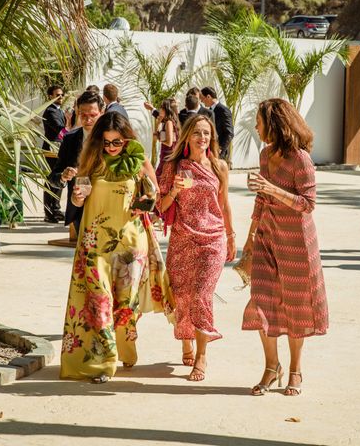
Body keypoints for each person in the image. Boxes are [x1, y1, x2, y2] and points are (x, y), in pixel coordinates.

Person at [60, 112, 173, 383]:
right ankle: (104, 362)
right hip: (94, 242)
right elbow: (78, 203)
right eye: (106, 142)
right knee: (100, 301)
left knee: (124, 305)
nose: (111, 147)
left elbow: (153, 197)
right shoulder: (90, 162)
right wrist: (77, 197)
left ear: (127, 140)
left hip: (131, 243)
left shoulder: (138, 160)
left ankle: (126, 348)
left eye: (117, 142)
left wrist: (145, 201)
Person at [241, 98, 328, 397]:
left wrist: (273, 189)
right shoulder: (266, 155)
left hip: (296, 243)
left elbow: (308, 204)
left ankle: (295, 370)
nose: (256, 126)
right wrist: (249, 239)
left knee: (295, 307)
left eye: (260, 121)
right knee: (260, 300)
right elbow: (261, 200)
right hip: (267, 235)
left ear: (274, 124)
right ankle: (270, 366)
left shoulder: (301, 159)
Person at [158, 114, 235, 382]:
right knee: (183, 296)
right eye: (197, 133)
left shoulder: (219, 166)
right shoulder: (174, 166)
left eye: (207, 133)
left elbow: (224, 204)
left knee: (202, 294)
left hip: (213, 239)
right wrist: (174, 192)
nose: (203, 138)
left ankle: (201, 355)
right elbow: (161, 207)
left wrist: (231, 235)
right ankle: (186, 340)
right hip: (182, 238)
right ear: (187, 137)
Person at [48, 92, 104, 233]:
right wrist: (63, 176)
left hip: (107, 206)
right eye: (83, 115)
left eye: (92, 115)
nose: (88, 119)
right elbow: (53, 178)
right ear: (77, 112)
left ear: (101, 113)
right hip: (80, 210)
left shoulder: (111, 139)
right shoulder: (70, 139)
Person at [42, 85, 66, 223]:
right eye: (57, 95)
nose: (61, 97)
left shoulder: (60, 111)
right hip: (51, 150)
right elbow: (59, 129)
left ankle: (56, 208)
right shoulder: (50, 111)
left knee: (60, 179)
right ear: (50, 96)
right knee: (51, 180)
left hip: (59, 149)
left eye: (62, 94)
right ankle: (49, 212)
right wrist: (70, 134)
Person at [199, 86, 234, 162]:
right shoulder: (208, 111)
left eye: (202, 98)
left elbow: (229, 133)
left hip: (219, 153)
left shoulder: (223, 110)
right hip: (210, 152)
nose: (201, 101)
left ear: (208, 96)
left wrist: (220, 148)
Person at [154, 98, 180, 177]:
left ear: (166, 109)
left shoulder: (169, 122)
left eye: (161, 107)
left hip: (167, 156)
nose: (160, 109)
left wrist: (158, 139)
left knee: (160, 177)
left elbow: (169, 143)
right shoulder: (167, 121)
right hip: (166, 155)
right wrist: (158, 121)